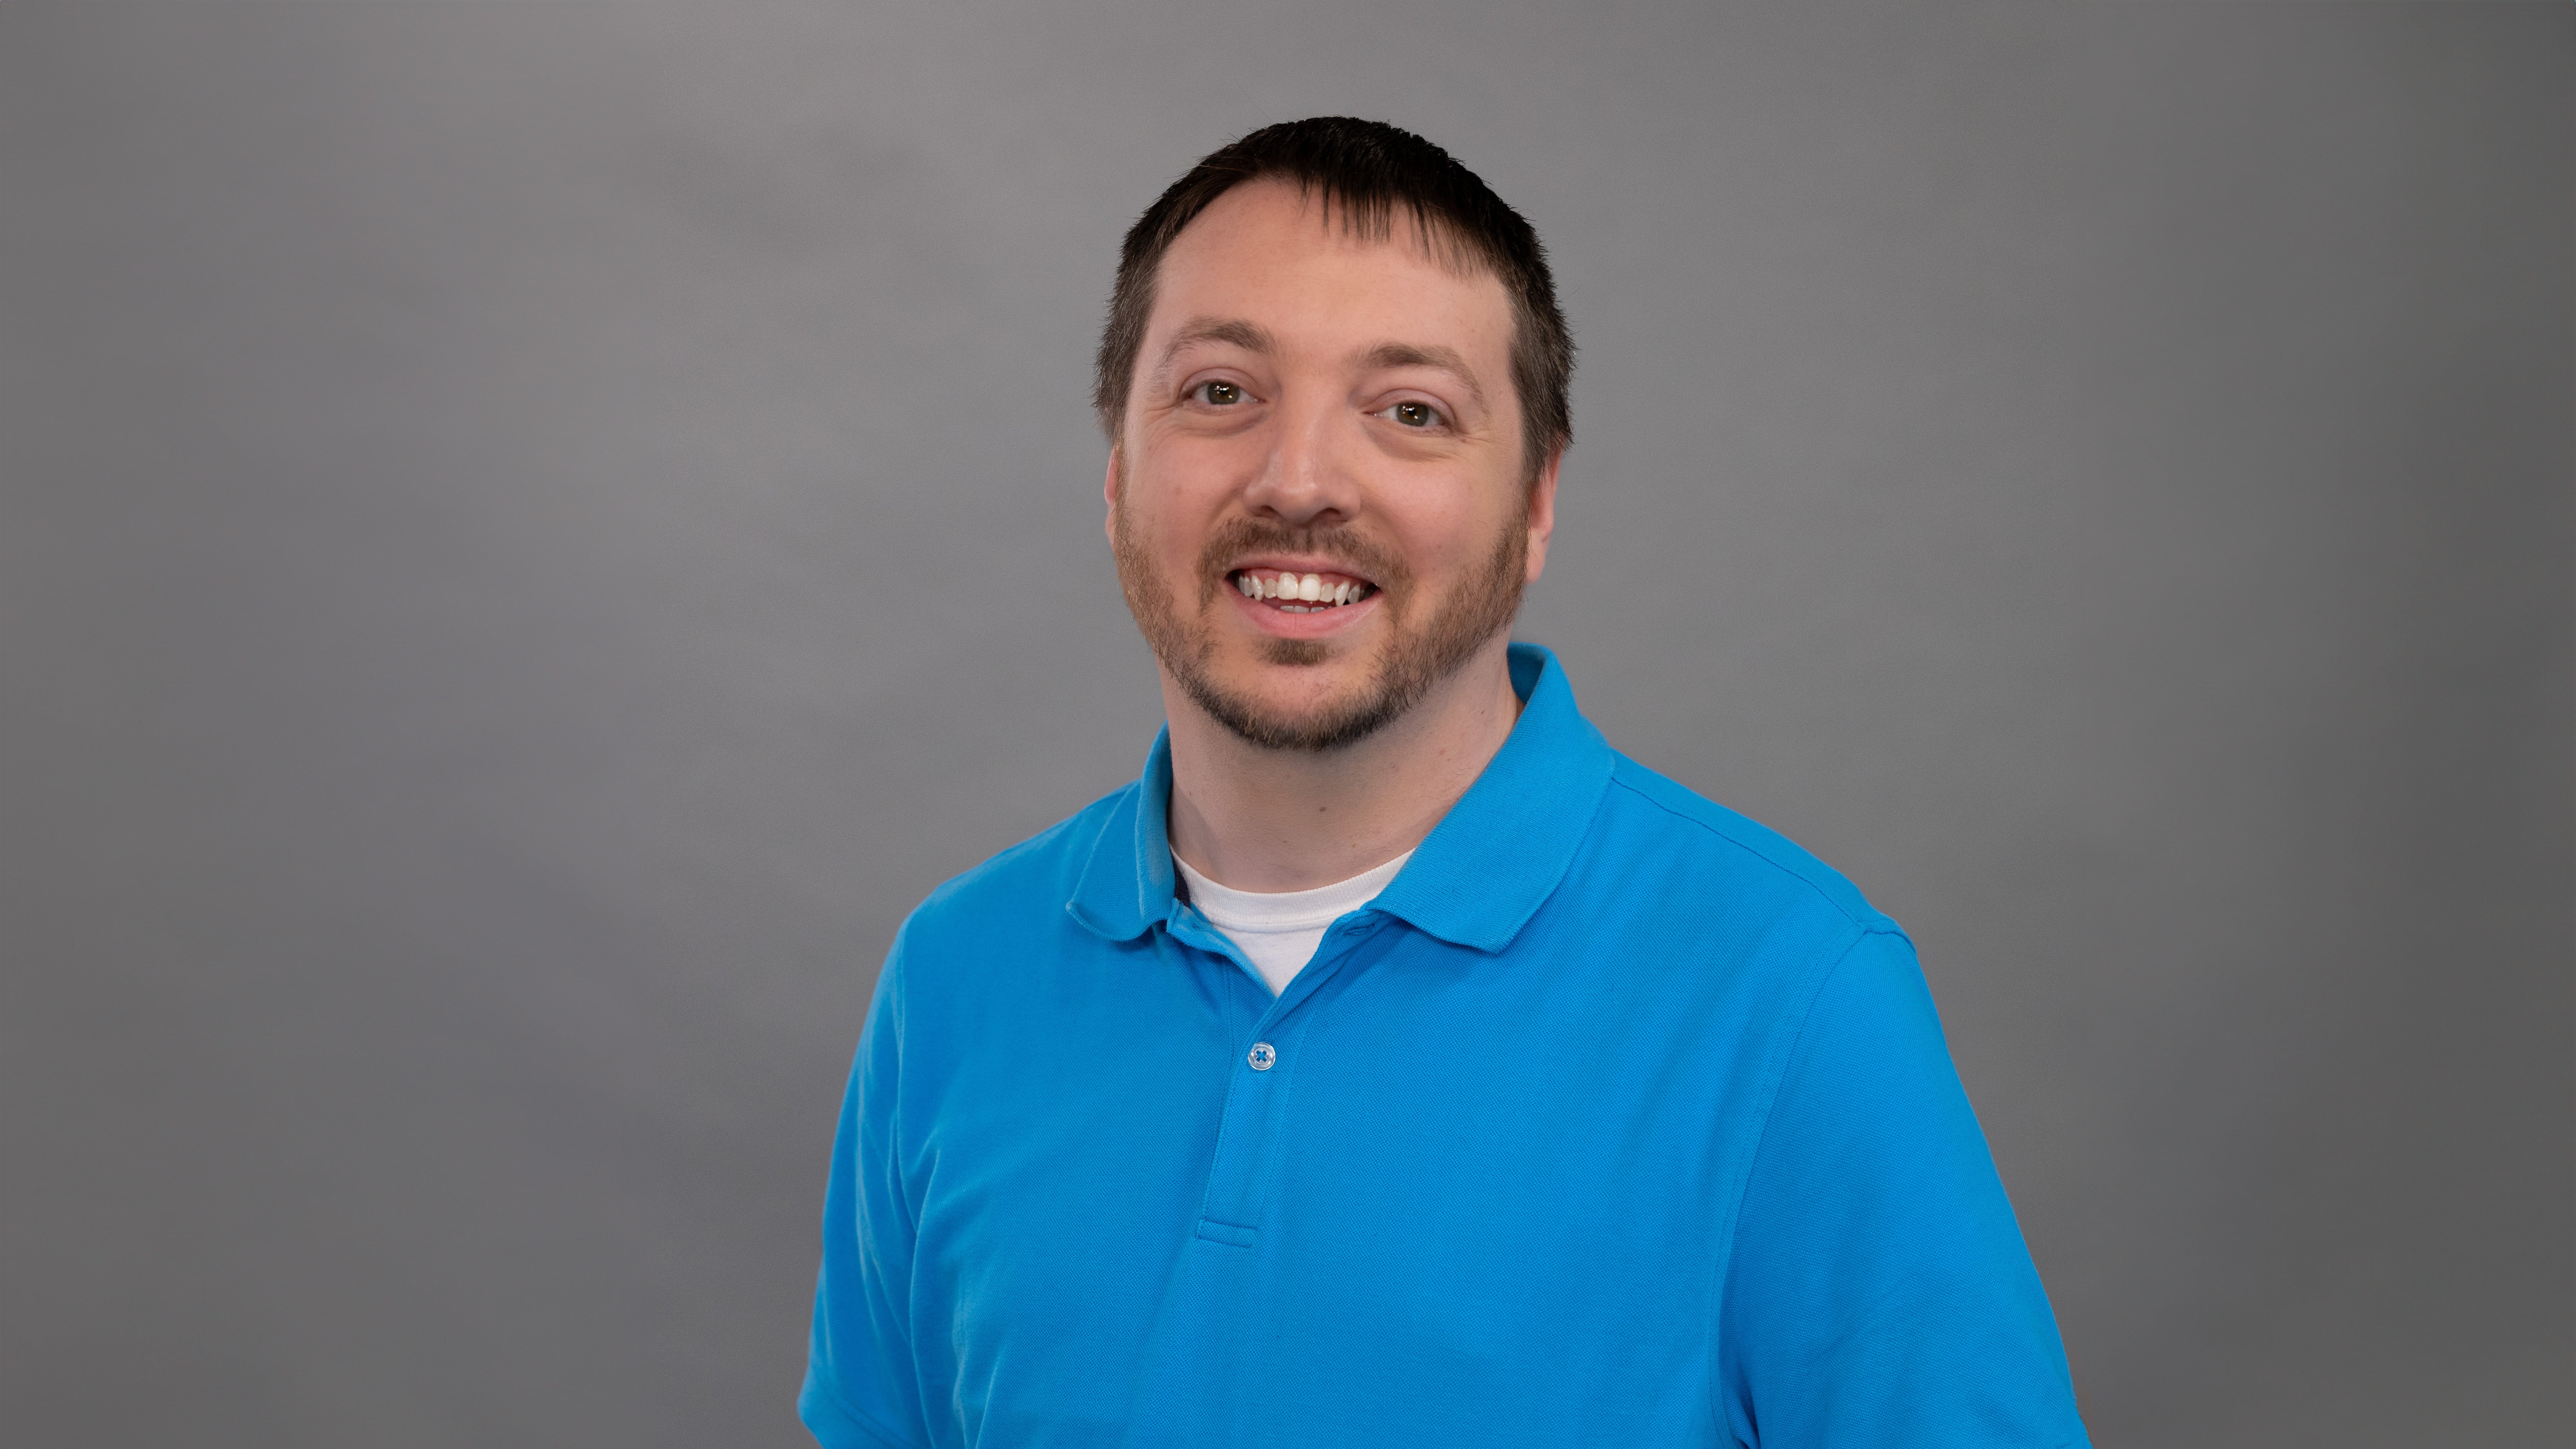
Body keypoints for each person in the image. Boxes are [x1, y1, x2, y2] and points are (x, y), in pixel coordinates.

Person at [800, 117, 2090, 1449]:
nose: (1299, 480)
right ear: (1119, 468)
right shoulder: (953, 977)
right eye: (1221, 392)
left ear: (1534, 501)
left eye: (1410, 412)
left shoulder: (1794, 999)